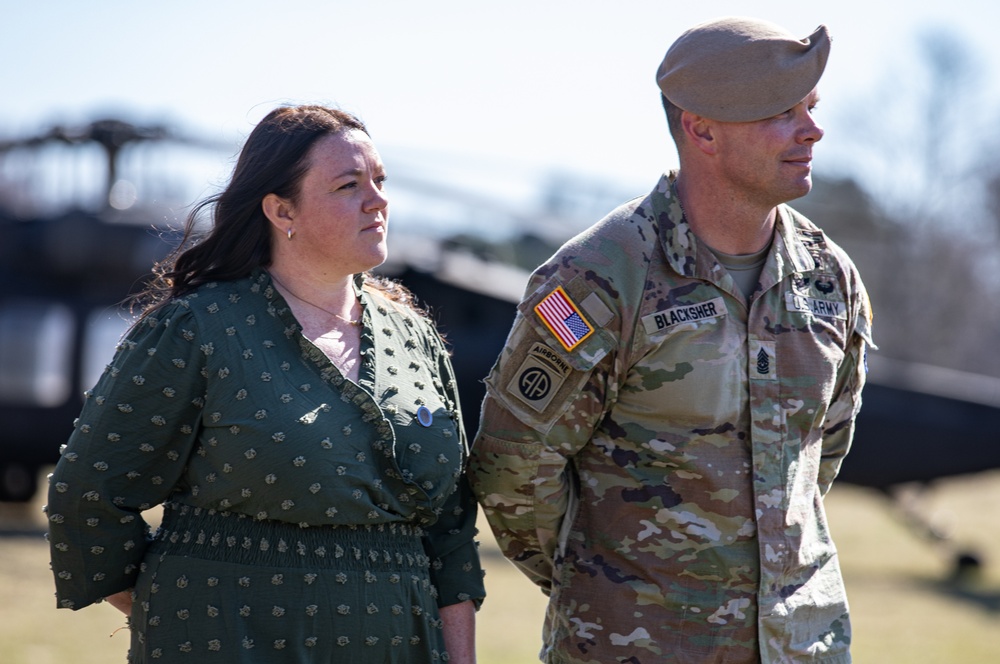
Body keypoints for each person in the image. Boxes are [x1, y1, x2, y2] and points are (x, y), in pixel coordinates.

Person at [469, 16, 874, 664]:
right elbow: (513, 468)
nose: (812, 130)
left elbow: (820, 456)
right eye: (781, 113)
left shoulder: (830, 278)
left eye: (811, 107)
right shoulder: (602, 277)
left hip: (803, 647)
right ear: (701, 129)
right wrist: (614, 588)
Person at [46, 104, 484, 663]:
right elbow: (87, 497)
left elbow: (450, 534)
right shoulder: (197, 329)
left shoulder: (417, 337)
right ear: (282, 210)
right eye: (349, 185)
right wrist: (183, 614)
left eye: (380, 180)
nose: (378, 200)